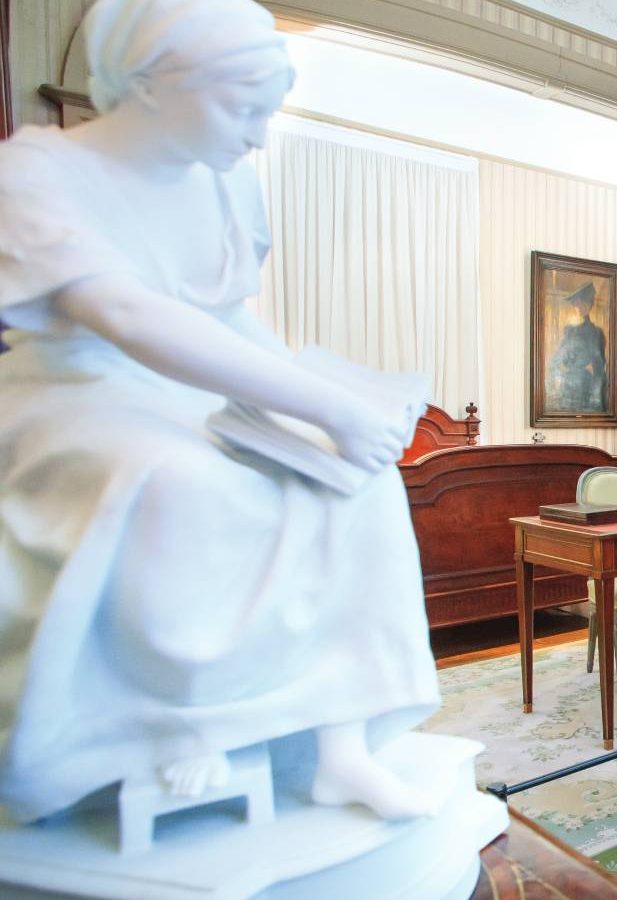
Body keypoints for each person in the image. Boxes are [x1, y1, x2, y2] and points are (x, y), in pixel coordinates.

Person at [0, 0, 439, 823]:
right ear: (156, 84)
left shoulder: (228, 182)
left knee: (364, 483)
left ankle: (339, 750)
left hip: (194, 387)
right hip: (75, 394)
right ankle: (181, 727)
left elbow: (230, 319)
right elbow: (127, 318)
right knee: (180, 483)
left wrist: (339, 409)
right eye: (244, 110)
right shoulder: (36, 173)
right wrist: (328, 409)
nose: (256, 137)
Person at [547, 282, 607, 411]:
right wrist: (558, 381)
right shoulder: (569, 330)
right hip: (566, 388)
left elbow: (599, 368)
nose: (578, 307)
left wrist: (596, 398)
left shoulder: (595, 332)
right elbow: (556, 360)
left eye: (582, 303)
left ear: (589, 305)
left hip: (585, 388)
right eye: (576, 303)